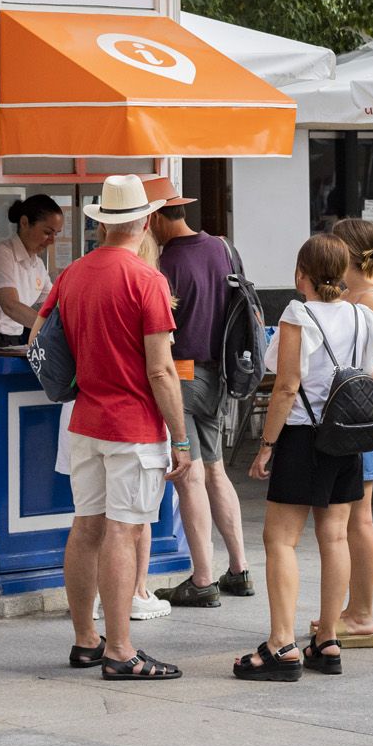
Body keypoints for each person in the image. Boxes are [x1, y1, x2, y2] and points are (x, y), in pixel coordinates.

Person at [238, 234, 373, 681]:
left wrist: (266, 446)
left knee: (280, 540)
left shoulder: (298, 314)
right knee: (334, 537)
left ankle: (282, 645)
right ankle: (328, 638)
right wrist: (357, 381)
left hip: (302, 436)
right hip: (346, 439)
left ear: (302, 274)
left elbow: (287, 385)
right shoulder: (360, 313)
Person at [48, 176, 192, 682]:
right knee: (125, 531)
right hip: (132, 426)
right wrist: (180, 436)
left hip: (83, 419)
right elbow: (161, 370)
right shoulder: (147, 280)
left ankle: (86, 639)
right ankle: (121, 649)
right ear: (147, 220)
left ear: (101, 222)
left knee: (85, 526)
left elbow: (42, 341)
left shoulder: (72, 273)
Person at [146, 178, 253, 608]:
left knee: (188, 476)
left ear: (154, 218)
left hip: (183, 376)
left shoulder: (164, 264)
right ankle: (239, 569)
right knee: (215, 471)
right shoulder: (222, 248)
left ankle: (203, 579)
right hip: (221, 376)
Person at [319, 217, 373, 648]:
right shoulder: (355, 294)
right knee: (350, 518)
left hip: (358, 417)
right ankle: (352, 610)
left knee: (358, 518)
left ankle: (362, 614)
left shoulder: (368, 298)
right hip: (351, 416)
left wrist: (359, 379)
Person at [0, 195, 63, 351]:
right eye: (47, 232)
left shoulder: (37, 264)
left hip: (16, 337)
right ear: (24, 223)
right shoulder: (2, 255)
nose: (52, 241)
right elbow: (10, 306)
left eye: (55, 234)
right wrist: (52, 330)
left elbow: (52, 303)